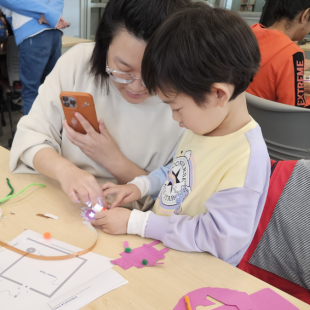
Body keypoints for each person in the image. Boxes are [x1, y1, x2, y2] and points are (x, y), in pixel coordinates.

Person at [92, 2, 271, 267]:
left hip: (196, 270)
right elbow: (177, 173)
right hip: (163, 252)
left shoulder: (245, 158)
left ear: (218, 94)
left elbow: (217, 238)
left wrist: (138, 223)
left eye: (176, 108)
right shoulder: (205, 126)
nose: (176, 119)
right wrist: (139, 186)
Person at [9, 0, 189, 209]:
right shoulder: (79, 62)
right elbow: (31, 137)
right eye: (124, 69)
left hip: (134, 223)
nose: (138, 86)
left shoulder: (188, 101)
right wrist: (65, 171)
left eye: (154, 74)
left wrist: (114, 161)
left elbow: (180, 197)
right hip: (62, 202)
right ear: (104, 47)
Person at [0, 0, 69, 114]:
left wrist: (46, 15)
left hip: (32, 32)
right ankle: (52, 130)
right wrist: (51, 16)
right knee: (53, 89)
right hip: (54, 32)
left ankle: (34, 131)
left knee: (31, 92)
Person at [247, 0, 310, 108]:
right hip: (274, 122)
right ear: (305, 15)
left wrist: (296, 88)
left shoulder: (250, 33)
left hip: (247, 115)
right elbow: (294, 110)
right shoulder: (293, 53)